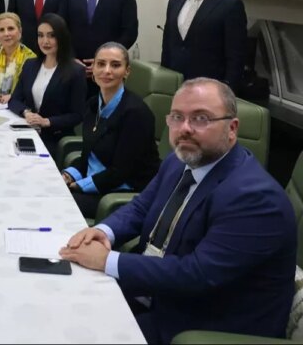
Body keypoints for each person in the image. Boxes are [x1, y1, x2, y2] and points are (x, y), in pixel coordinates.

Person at [60, 77, 296, 343]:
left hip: (199, 325)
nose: (185, 128)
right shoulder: (178, 161)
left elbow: (197, 274)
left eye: (201, 118)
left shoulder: (255, 198)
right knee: (61, 301)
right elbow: (141, 206)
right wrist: (104, 231)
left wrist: (107, 260)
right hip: (155, 292)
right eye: (177, 117)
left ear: (232, 128)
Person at [62, 42, 160, 219]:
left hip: (121, 194)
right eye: (101, 64)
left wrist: (78, 186)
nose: (107, 71)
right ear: (93, 68)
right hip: (97, 184)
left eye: (115, 65)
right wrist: (68, 176)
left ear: (127, 72)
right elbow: (88, 156)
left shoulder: (136, 113)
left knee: (55, 202)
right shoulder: (93, 105)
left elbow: (121, 172)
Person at [161, 0, 248, 92]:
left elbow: (236, 56)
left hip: (209, 91)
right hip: (175, 88)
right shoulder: (174, 3)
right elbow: (167, 48)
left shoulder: (230, 5)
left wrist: (226, 91)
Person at [59, 0, 138, 97]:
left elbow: (130, 32)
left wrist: (103, 60)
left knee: (104, 109)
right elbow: (61, 28)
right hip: (73, 68)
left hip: (108, 72)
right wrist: (70, 58)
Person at [8, 13, 86, 155]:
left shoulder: (76, 71)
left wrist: (47, 121)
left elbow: (77, 115)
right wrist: (26, 112)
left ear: (62, 37)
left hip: (55, 139)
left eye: (51, 36)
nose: (45, 41)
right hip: (27, 132)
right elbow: (14, 100)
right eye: (40, 35)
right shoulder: (30, 64)